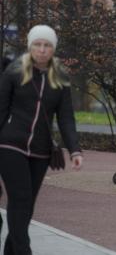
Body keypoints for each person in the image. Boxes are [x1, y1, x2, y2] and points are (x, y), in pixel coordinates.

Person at [0, 25, 83, 254]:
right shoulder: (14, 73)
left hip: (41, 151)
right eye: (37, 44)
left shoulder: (60, 78)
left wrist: (75, 150)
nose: (42, 49)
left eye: (47, 45)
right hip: (10, 145)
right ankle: (24, 250)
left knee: (26, 206)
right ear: (30, 46)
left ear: (53, 49)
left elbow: (66, 118)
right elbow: (1, 110)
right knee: (20, 198)